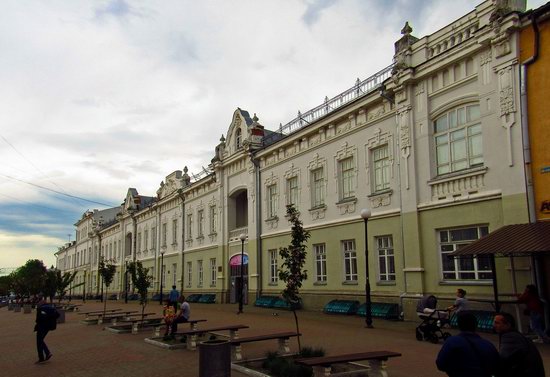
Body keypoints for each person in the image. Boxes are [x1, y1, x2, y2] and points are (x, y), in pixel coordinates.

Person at [436, 312, 499, 377]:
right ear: (476, 325)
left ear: (459, 325)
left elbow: (441, 364)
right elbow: (496, 367)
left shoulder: (452, 342)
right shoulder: (488, 345)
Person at [494, 312, 545, 377]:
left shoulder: (510, 337)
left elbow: (502, 359)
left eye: (497, 323)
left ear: (508, 325)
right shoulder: (515, 335)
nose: (494, 325)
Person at [34, 297, 59, 364]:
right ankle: (47, 353)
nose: (37, 304)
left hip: (41, 327)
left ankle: (42, 357)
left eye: (37, 302)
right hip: (48, 327)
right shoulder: (51, 307)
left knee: (39, 341)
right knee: (41, 340)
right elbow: (57, 315)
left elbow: (38, 319)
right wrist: (50, 319)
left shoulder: (40, 308)